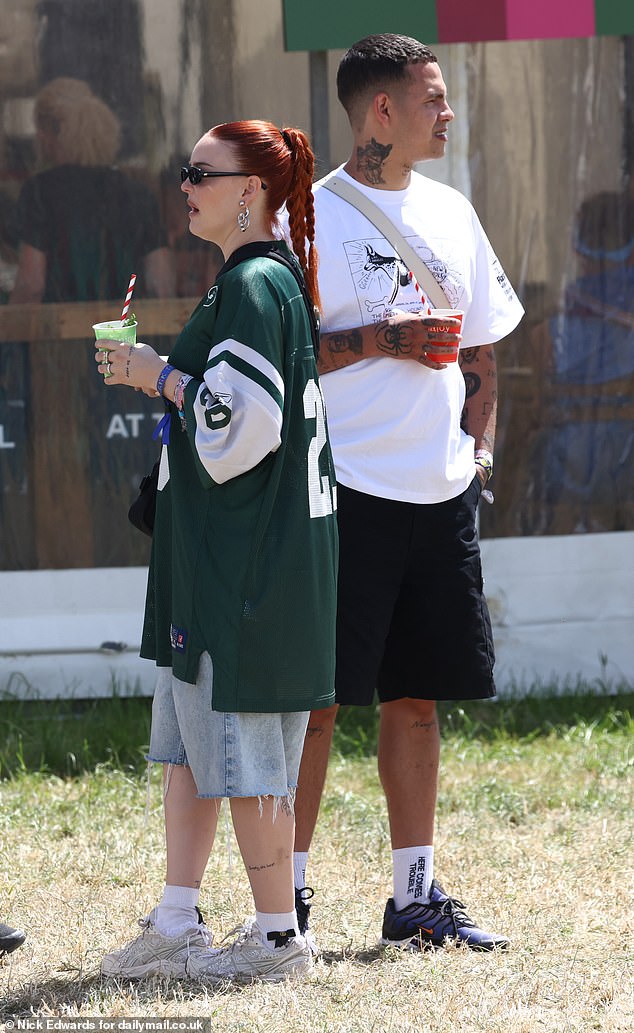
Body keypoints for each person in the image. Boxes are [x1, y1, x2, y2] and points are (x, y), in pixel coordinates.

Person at [290, 34, 524, 952]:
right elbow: (283, 359)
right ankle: (287, 903)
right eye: (432, 97)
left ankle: (414, 898)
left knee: (418, 699)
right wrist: (379, 340)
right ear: (381, 110)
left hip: (440, 494)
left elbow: (483, 347)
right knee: (316, 703)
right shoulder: (309, 220)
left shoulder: (454, 210)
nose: (448, 112)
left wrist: (482, 453)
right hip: (344, 491)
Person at [96, 120, 337, 984]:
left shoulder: (254, 284)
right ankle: (175, 918)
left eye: (201, 173)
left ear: (250, 190)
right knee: (194, 747)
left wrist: (156, 376)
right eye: (183, 170)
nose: (185, 185)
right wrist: (160, 375)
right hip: (218, 562)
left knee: (240, 754)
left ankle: (277, 938)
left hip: (243, 567)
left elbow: (244, 429)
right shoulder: (254, 281)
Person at [524, 190, 634, 533]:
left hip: (565, 476)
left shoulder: (547, 333)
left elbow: (538, 410)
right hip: (626, 471)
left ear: (575, 248)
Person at [9, 77, 173, 303]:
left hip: (60, 334)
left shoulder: (40, 192)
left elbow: (31, 286)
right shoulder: (138, 194)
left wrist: (12, 331)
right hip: (125, 334)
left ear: (46, 136)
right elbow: (160, 284)